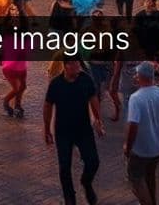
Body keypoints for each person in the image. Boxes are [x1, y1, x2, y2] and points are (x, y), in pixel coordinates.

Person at [43, 56, 104, 205]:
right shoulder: (56, 84)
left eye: (78, 63)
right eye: (74, 64)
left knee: (93, 162)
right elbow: (48, 106)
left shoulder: (86, 80)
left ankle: (86, 181)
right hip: (63, 131)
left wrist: (98, 119)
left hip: (83, 129)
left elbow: (93, 98)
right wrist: (46, 129)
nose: (78, 67)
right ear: (66, 66)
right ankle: (69, 197)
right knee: (64, 167)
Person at [123, 61, 159, 205]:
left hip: (141, 150)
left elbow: (133, 126)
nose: (135, 76)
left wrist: (128, 147)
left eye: (136, 74)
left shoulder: (136, 98)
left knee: (136, 180)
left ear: (141, 76)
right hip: (158, 148)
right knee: (150, 176)